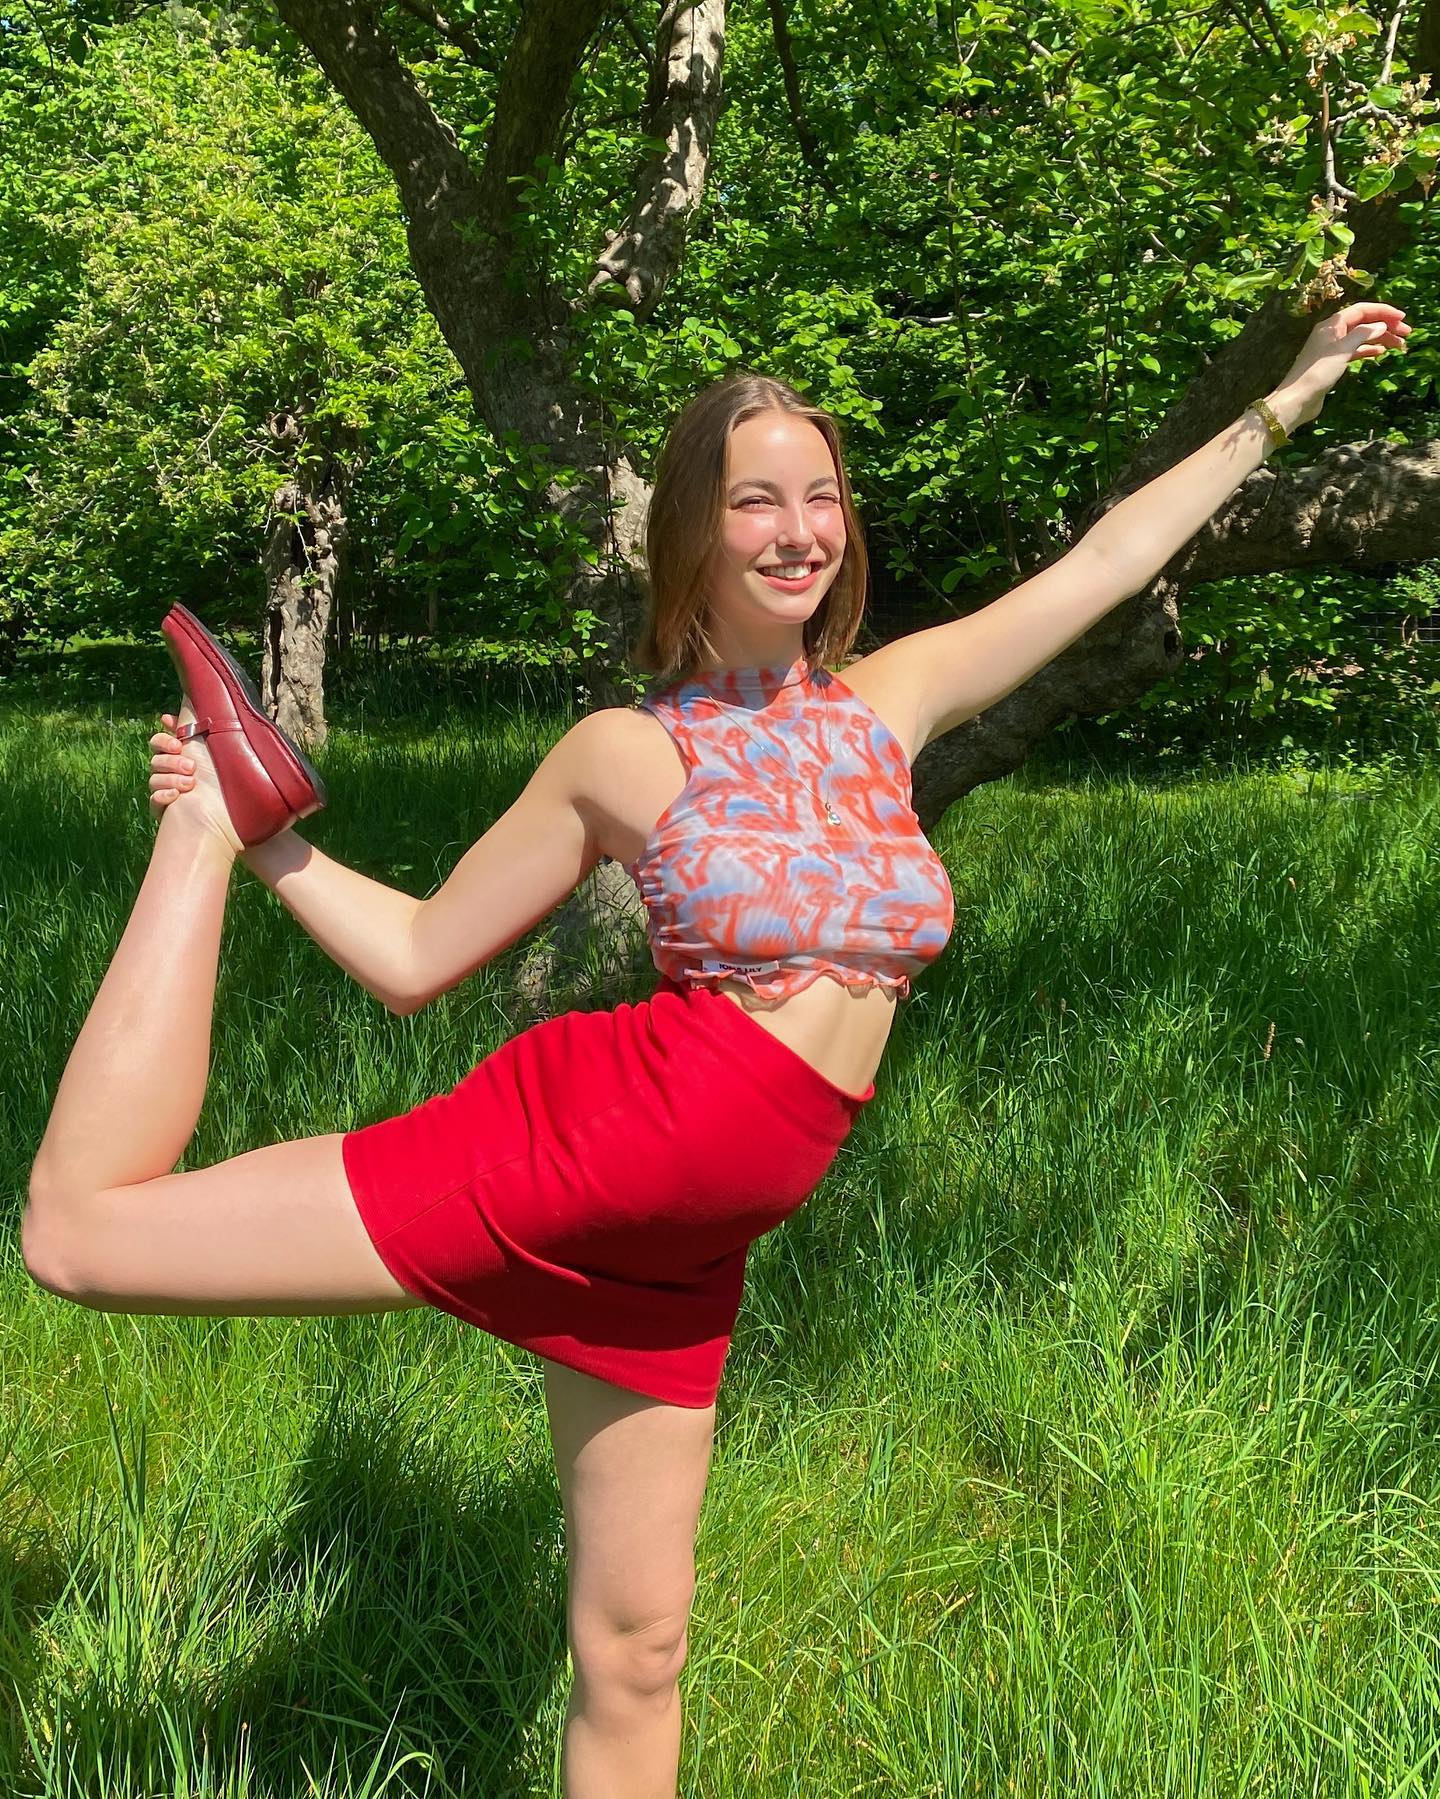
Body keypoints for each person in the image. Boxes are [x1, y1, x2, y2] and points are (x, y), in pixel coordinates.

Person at [22, 299, 1409, 1797]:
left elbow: (1107, 560)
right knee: (82, 1239)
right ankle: (190, 843)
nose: (799, 531)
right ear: (691, 530)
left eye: (821, 497)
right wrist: (247, 841)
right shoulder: (626, 751)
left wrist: (1291, 397)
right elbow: (418, 958)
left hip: (678, 1250)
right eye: (758, 500)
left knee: (638, 1647)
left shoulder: (889, 705)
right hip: (589, 1149)